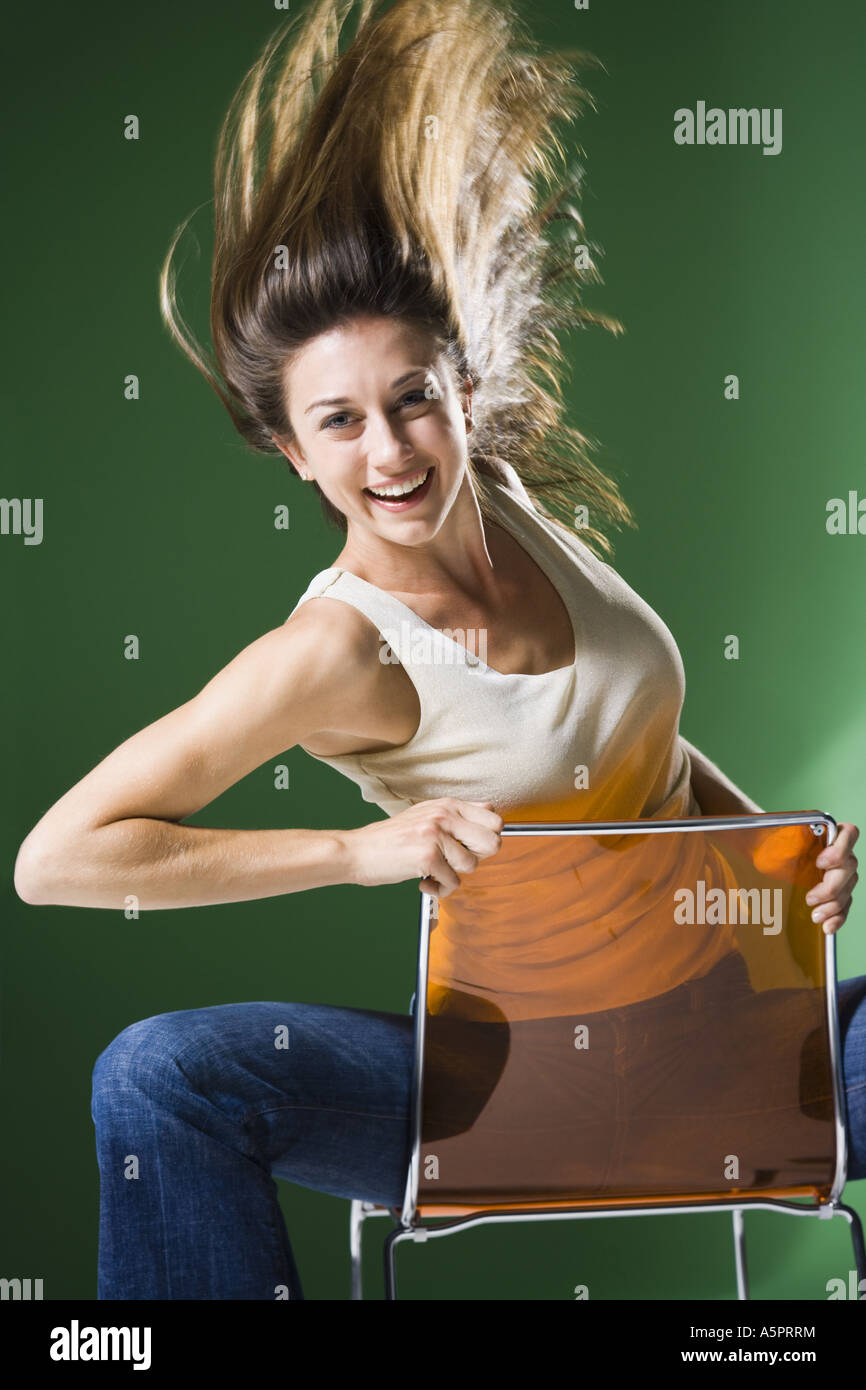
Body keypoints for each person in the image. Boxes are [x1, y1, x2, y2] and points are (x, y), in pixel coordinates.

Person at [13, 0, 862, 1300]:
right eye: (339, 422)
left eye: (413, 399)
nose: (390, 450)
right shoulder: (333, 650)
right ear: (293, 452)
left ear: (464, 390)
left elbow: (629, 743)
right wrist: (362, 850)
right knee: (160, 1071)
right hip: (508, 1084)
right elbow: (60, 858)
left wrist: (781, 860)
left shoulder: (515, 501)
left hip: (733, 1043)